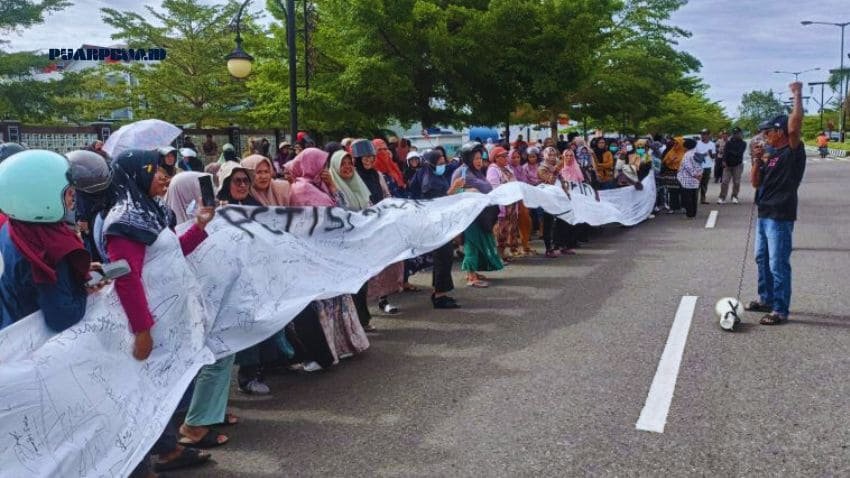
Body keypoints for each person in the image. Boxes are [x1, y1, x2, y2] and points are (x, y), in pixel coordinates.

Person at [99, 149, 215, 474]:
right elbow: (126, 278)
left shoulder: (150, 211)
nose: (164, 176)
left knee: (162, 389)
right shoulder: (123, 220)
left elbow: (173, 252)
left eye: (165, 170)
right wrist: (142, 330)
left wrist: (201, 226)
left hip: (168, 320)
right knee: (147, 390)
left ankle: (164, 449)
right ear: (136, 174)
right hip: (151, 324)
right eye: (156, 170)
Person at [0, 150, 99, 332]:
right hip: (35, 344)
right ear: (43, 197)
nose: (73, 200)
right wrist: (82, 290)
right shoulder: (49, 246)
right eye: (68, 193)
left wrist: (71, 272)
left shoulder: (11, 227)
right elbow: (63, 317)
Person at [745, 82, 807, 326]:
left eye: (768, 131)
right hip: (764, 212)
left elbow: (795, 125)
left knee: (777, 263)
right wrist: (757, 161)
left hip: (780, 214)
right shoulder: (770, 155)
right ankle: (767, 299)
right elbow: (755, 183)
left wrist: (797, 95)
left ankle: (780, 309)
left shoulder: (792, 151)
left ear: (779, 132)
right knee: (761, 258)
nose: (764, 136)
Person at [407, 149, 462, 307]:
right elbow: (436, 201)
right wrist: (454, 188)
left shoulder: (434, 175)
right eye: (439, 163)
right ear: (431, 164)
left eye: (444, 162)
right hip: (434, 224)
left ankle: (440, 292)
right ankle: (439, 296)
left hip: (440, 222)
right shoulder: (428, 180)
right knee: (442, 258)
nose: (442, 165)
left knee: (444, 258)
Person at [451, 142, 503, 287]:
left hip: (483, 216)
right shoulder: (460, 173)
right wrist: (467, 191)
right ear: (467, 158)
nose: (479, 161)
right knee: (472, 244)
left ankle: (474, 271)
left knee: (481, 243)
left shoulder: (477, 172)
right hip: (469, 217)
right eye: (475, 158)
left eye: (480, 158)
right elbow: (452, 194)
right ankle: (470, 276)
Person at [487, 146, 520, 261]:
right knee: (500, 231)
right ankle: (497, 256)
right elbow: (494, 188)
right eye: (503, 156)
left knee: (508, 231)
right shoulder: (493, 170)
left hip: (511, 204)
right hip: (501, 205)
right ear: (496, 158)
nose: (506, 158)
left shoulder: (507, 169)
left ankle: (504, 253)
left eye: (506, 156)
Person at [718, 127, 746, 204]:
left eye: (737, 133)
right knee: (724, 181)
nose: (735, 135)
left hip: (738, 165)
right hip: (727, 165)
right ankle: (722, 197)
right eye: (734, 134)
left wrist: (730, 151)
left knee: (736, 182)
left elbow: (739, 153)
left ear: (740, 134)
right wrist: (723, 160)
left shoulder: (743, 143)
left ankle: (734, 196)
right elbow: (725, 152)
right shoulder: (729, 142)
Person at [676, 138, 701, 218]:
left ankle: (690, 214)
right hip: (695, 179)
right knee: (694, 197)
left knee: (688, 197)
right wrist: (699, 174)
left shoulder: (687, 154)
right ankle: (693, 213)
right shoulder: (697, 153)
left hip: (686, 179)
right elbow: (700, 165)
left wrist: (694, 174)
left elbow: (687, 166)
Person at [695, 129, 716, 204]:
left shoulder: (712, 144)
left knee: (704, 183)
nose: (702, 136)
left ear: (708, 135)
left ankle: (703, 199)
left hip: (707, 166)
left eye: (704, 134)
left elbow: (713, 156)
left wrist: (710, 154)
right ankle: (694, 198)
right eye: (702, 134)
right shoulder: (697, 143)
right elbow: (694, 154)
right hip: (698, 166)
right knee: (697, 183)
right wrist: (702, 155)